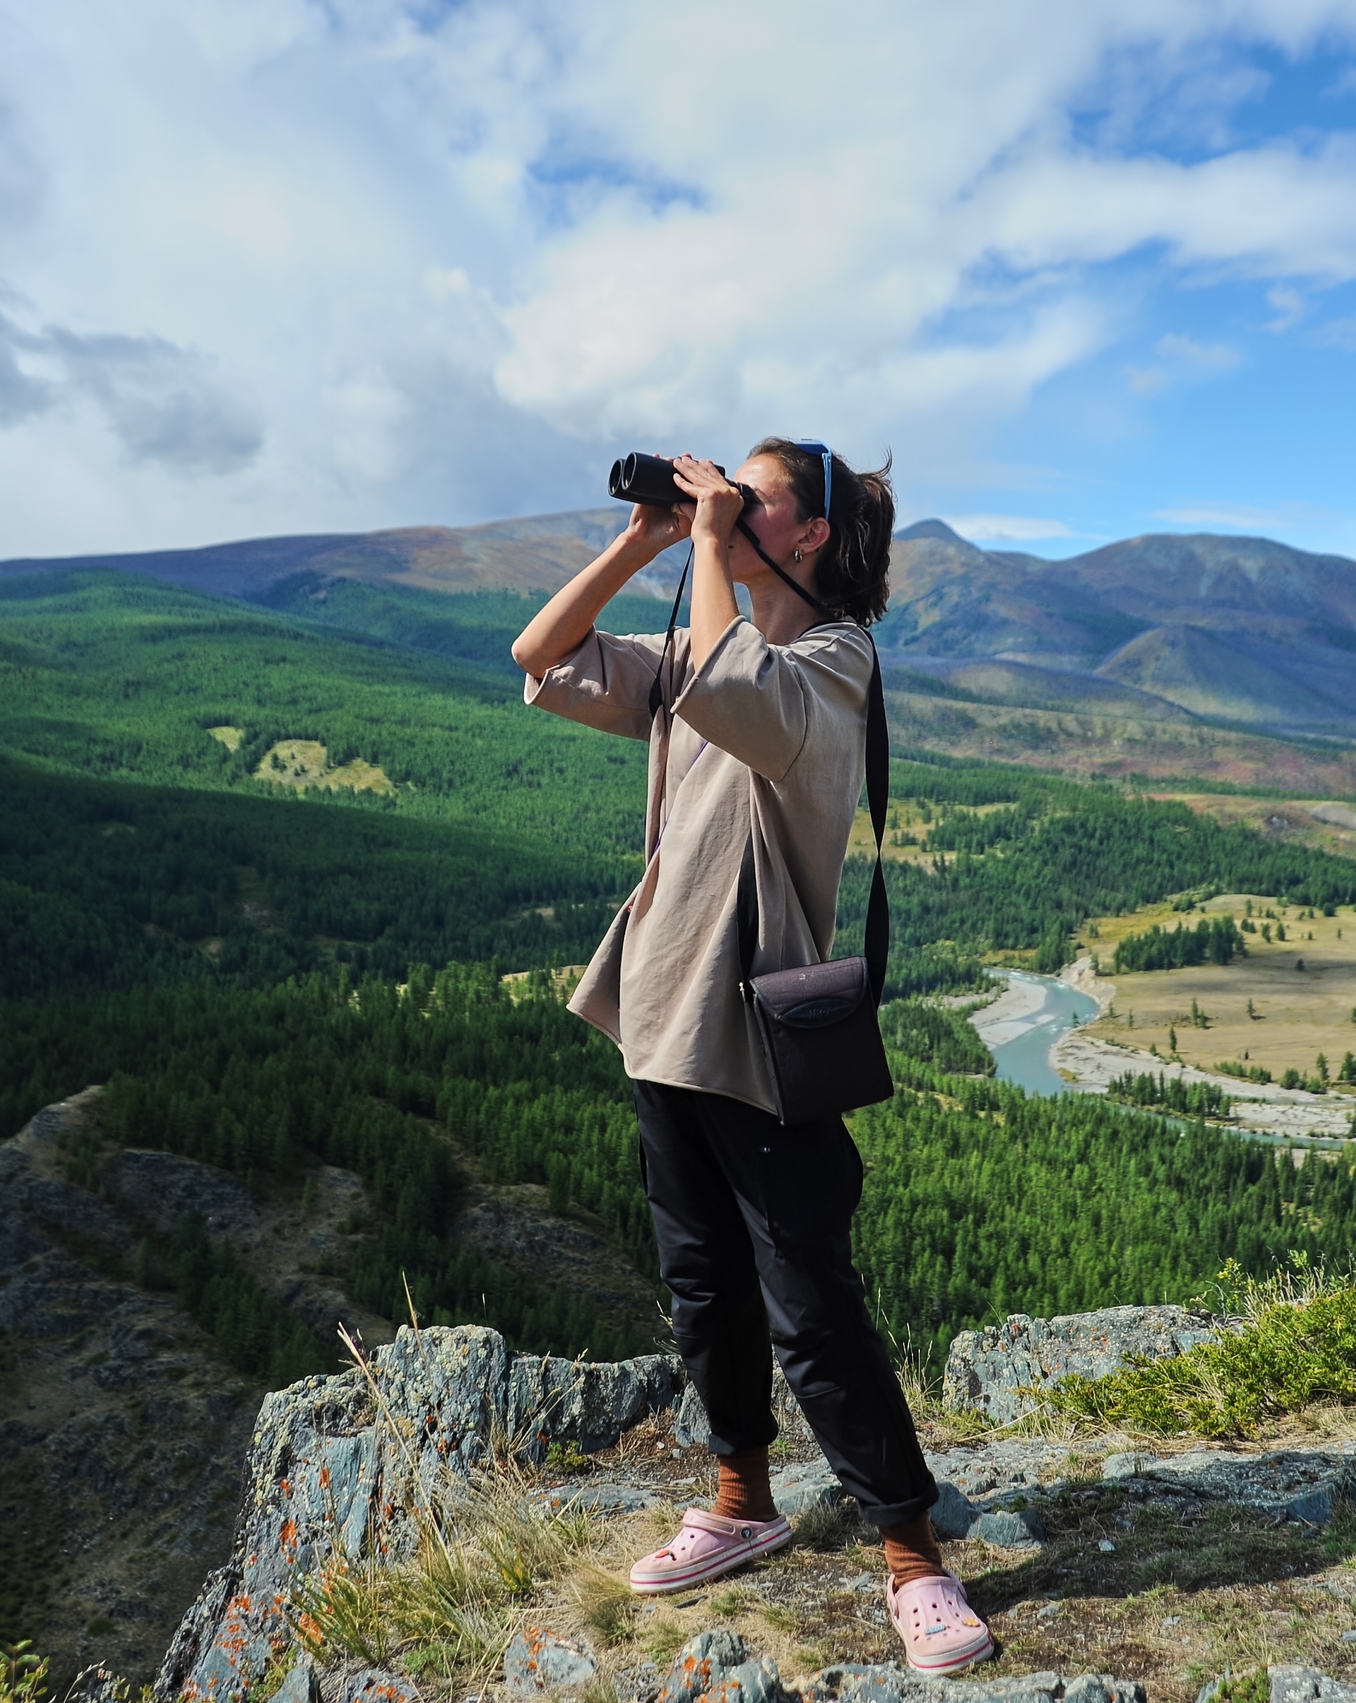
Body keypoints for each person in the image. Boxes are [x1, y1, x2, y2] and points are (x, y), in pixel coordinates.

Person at [511, 441, 992, 1677]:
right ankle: (740, 1499)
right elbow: (541, 656)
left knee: (811, 1302)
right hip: (660, 1008)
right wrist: (647, 542)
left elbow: (737, 688)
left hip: (760, 1029)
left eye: (753, 494)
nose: (725, 503)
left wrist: (712, 546)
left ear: (813, 532)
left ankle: (912, 1556)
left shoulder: (833, 663)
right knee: (701, 1281)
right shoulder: (696, 645)